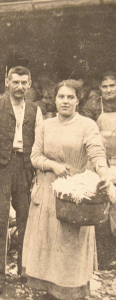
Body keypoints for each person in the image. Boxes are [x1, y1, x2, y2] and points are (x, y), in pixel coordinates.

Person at [22, 79, 110, 300]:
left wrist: (104, 173)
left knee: (69, 244)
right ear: (55, 99)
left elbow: (97, 153)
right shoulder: (45, 125)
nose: (65, 101)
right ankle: (46, 291)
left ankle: (68, 292)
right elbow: (35, 156)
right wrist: (53, 165)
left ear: (78, 101)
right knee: (46, 243)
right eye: (61, 96)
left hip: (72, 196)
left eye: (70, 97)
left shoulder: (87, 125)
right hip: (46, 192)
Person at [0, 66, 43, 293]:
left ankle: (25, 269)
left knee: (26, 219)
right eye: (15, 82)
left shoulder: (35, 111)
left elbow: (41, 142)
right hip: (1, 167)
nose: (20, 87)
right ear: (7, 82)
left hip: (25, 168)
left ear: (30, 84)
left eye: (24, 83)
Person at [82, 71, 116, 159]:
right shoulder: (93, 104)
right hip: (98, 153)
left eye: (112, 86)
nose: (108, 90)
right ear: (100, 87)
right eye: (105, 87)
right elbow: (85, 128)